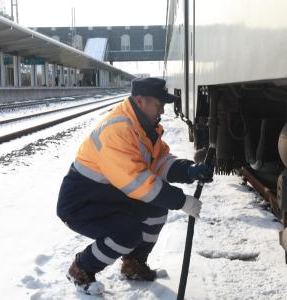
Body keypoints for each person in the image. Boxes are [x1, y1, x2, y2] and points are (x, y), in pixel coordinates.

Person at [57, 77, 213, 295]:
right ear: (140, 101)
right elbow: (140, 184)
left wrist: (188, 170)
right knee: (126, 234)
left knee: (156, 209)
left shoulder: (143, 126)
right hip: (81, 203)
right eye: (159, 105)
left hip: (106, 194)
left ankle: (134, 265)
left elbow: (158, 162)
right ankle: (81, 269)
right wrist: (182, 201)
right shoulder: (119, 130)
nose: (162, 110)